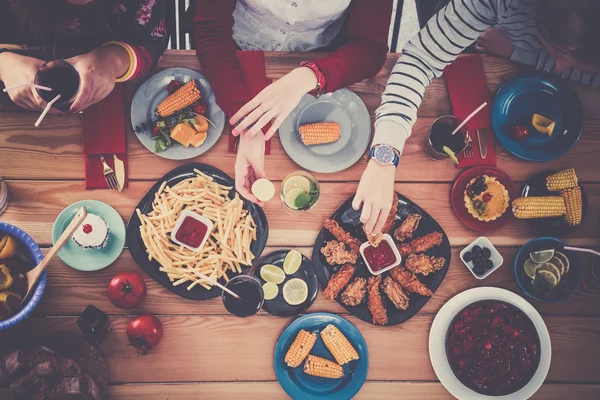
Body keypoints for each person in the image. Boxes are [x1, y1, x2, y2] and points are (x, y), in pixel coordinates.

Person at [357, 0, 600, 234]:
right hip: (479, 48)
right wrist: (384, 158)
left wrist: (521, 54)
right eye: (556, 51)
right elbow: (420, 59)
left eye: (577, 65)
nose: (559, 69)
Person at [193, 0, 394, 204]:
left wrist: (310, 76)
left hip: (328, 55)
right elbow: (211, 31)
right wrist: (247, 122)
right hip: (236, 45)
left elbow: (370, 47)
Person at [0, 0, 167, 112]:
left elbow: (153, 44)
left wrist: (116, 59)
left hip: (112, 105)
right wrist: (4, 65)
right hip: (17, 108)